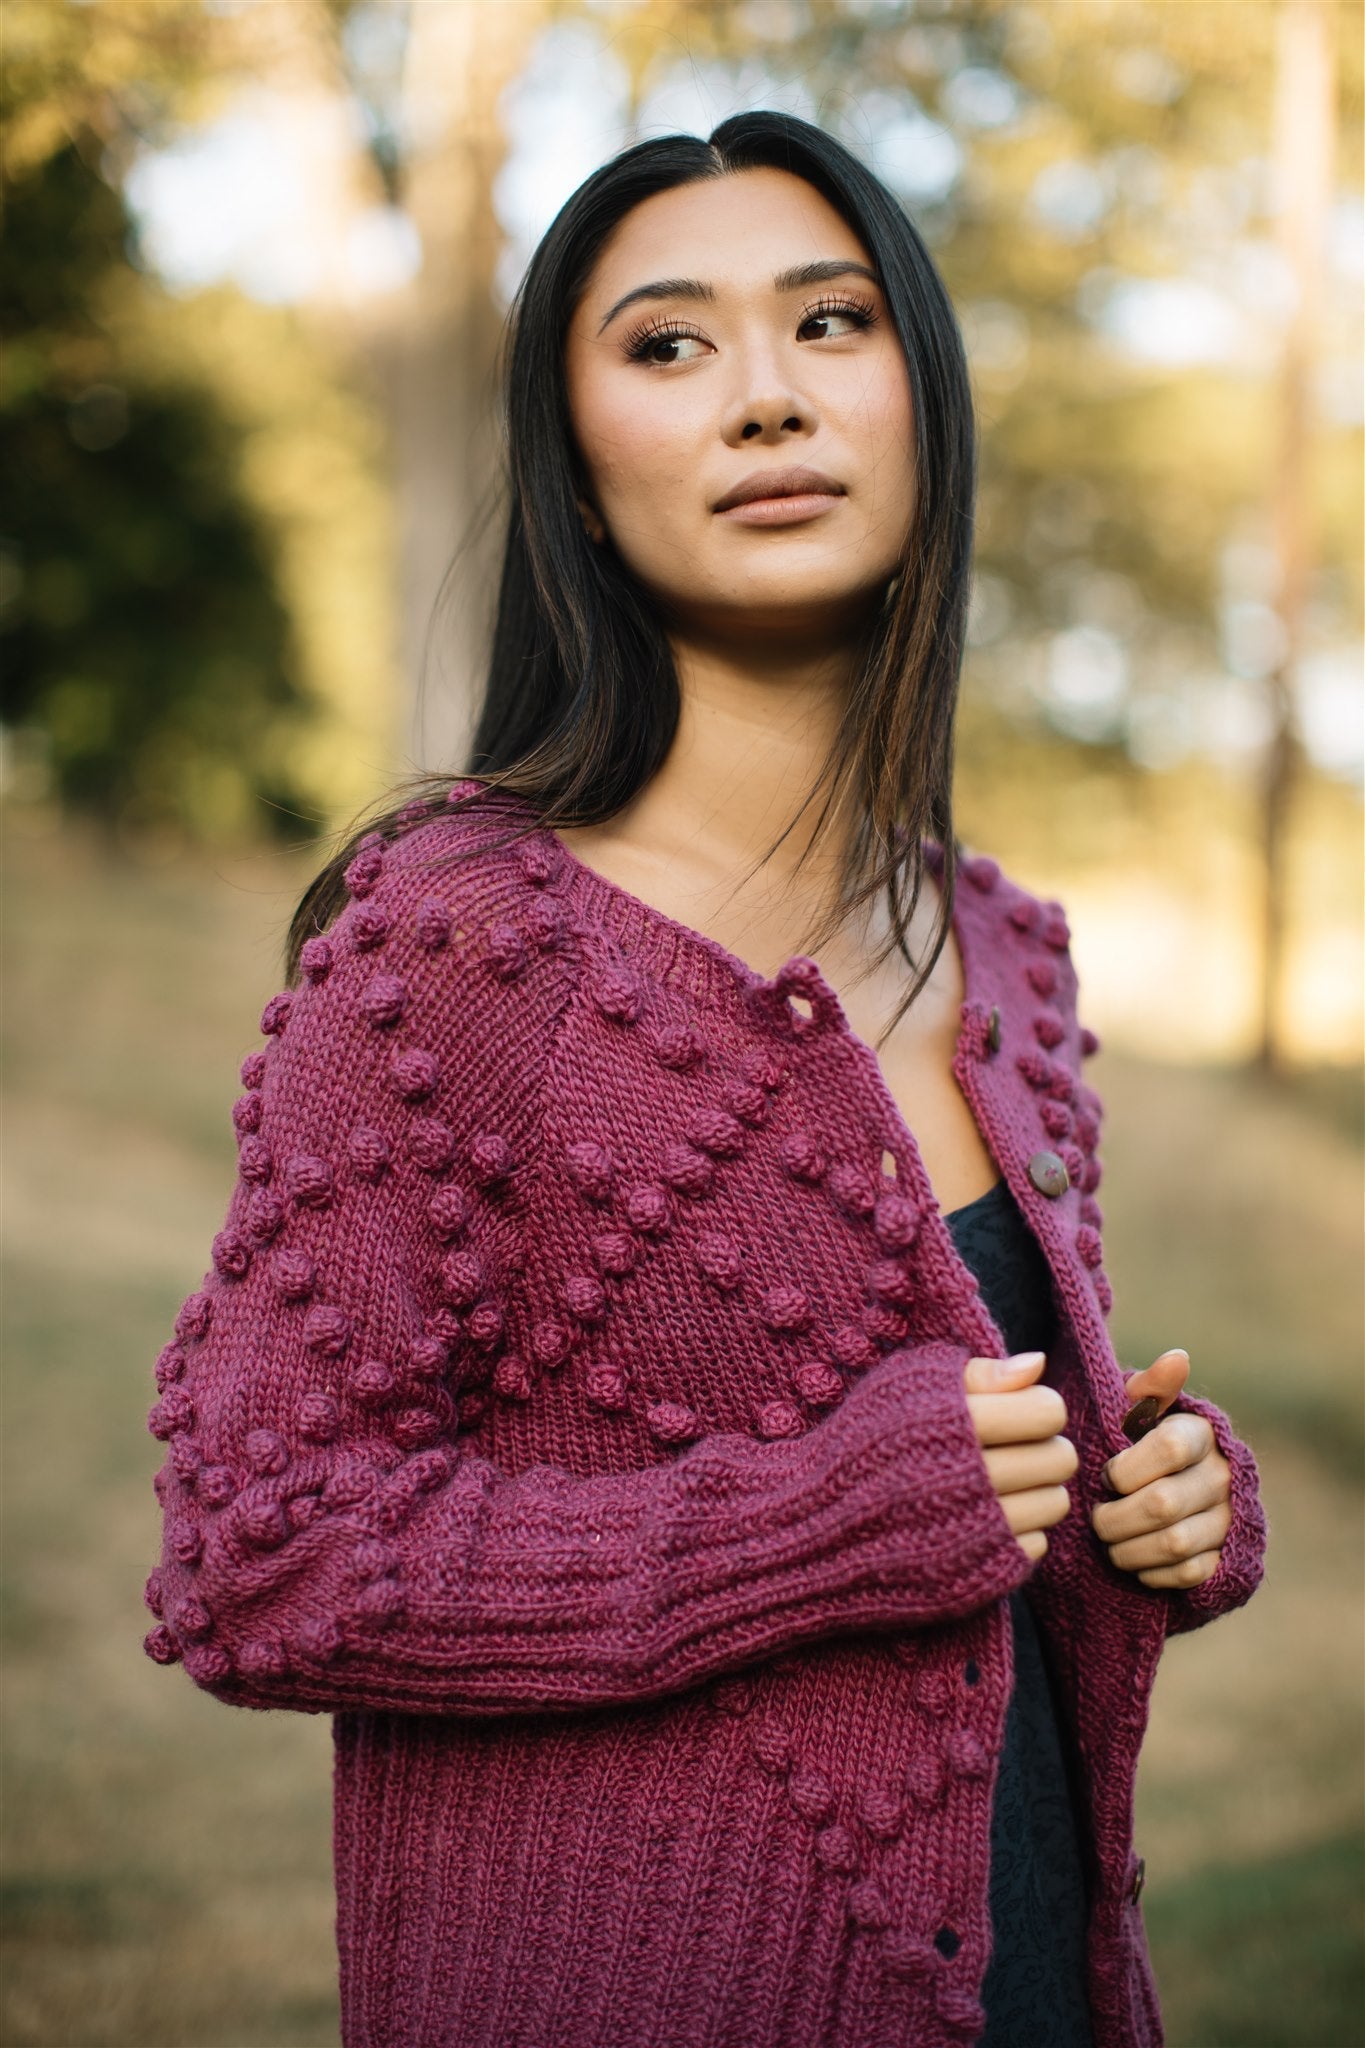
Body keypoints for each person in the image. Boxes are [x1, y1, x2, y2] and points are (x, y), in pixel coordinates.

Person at [140, 113, 1267, 2048]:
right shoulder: (462, 942)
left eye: (830, 324)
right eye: (667, 345)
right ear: (576, 480)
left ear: (927, 402)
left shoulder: (1007, 954)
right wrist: (814, 1517)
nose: (763, 398)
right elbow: (264, 1559)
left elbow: (978, 1470)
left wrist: (1152, 1500)